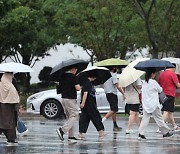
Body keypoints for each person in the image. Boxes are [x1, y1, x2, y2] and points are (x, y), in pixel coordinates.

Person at [138, 67, 173, 140]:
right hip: (154, 104)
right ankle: (165, 132)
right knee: (159, 119)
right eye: (155, 73)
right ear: (152, 74)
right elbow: (160, 90)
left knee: (145, 119)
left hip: (146, 104)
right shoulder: (153, 82)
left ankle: (141, 133)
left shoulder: (144, 82)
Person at [56, 65, 81, 142]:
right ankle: (62, 130)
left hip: (63, 98)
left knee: (69, 117)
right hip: (71, 99)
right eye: (76, 69)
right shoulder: (73, 77)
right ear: (73, 69)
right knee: (75, 115)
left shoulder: (62, 77)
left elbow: (59, 90)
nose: (76, 71)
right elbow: (78, 88)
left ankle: (71, 136)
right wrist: (79, 85)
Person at [78, 72, 106, 140]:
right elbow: (85, 93)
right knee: (95, 118)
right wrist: (83, 103)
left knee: (84, 118)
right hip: (89, 104)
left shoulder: (88, 83)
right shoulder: (87, 83)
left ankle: (81, 132)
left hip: (89, 104)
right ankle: (100, 131)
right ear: (93, 77)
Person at [102, 66, 126, 131]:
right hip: (112, 93)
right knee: (114, 109)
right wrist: (123, 93)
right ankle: (102, 121)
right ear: (113, 68)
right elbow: (117, 85)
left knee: (113, 110)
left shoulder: (105, 75)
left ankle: (115, 125)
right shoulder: (113, 75)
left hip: (107, 93)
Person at [158, 64, 180, 131]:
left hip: (162, 94)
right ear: (174, 68)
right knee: (166, 111)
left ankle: (174, 126)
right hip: (170, 94)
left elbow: (159, 84)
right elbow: (178, 85)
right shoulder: (173, 74)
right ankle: (160, 127)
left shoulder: (161, 74)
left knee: (170, 111)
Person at [0, 73, 20, 145]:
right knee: (10, 124)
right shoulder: (11, 86)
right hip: (10, 108)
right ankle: (11, 139)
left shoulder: (0, 84)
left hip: (1, 107)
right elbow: (15, 99)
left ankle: (11, 139)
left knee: (1, 123)